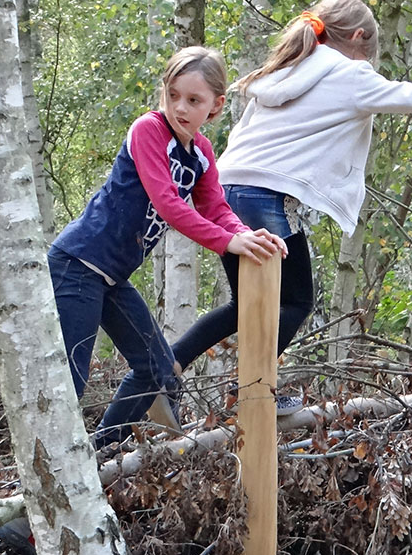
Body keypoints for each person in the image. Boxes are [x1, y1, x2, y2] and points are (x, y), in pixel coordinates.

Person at [163, 0, 412, 403]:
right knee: (295, 301)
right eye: (369, 53)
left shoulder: (285, 68)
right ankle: (253, 391)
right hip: (262, 197)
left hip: (228, 191)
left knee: (246, 307)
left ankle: (169, 368)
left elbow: (241, 136)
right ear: (359, 38)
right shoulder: (348, 75)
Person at [46, 46, 287, 448]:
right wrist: (229, 241)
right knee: (72, 377)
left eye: (193, 100)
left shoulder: (203, 155)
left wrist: (248, 236)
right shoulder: (148, 130)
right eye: (173, 95)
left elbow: (216, 208)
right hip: (77, 264)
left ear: (216, 106)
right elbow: (168, 205)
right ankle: (42, 479)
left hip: (111, 278)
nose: (180, 108)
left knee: (159, 371)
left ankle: (100, 455)